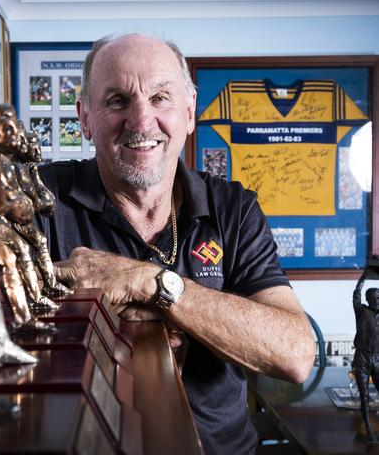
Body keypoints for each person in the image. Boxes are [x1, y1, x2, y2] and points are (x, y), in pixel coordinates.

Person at [36, 33, 315, 455]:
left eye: (160, 98)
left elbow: (294, 355)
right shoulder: (39, 198)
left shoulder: (233, 209)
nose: (141, 120)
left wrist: (150, 282)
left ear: (189, 111)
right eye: (117, 101)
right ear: (85, 117)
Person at [352, 261, 379, 442]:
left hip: (378, 358)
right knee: (364, 396)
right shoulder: (361, 310)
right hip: (362, 357)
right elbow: (356, 293)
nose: (376, 300)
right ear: (368, 300)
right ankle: (369, 429)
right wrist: (365, 274)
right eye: (374, 297)